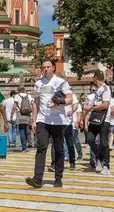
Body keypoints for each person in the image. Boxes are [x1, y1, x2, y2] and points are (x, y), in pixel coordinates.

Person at [25, 60, 73, 188]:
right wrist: (34, 120)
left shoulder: (61, 82)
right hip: (42, 120)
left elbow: (70, 98)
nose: (46, 69)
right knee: (41, 147)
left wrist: (59, 102)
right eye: (43, 67)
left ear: (53, 68)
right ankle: (37, 179)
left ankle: (58, 177)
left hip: (58, 120)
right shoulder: (38, 84)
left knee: (58, 149)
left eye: (48, 66)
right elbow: (36, 102)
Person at [85, 71, 112, 175]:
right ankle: (98, 158)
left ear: (96, 78)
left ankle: (106, 165)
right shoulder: (97, 90)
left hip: (104, 119)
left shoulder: (106, 89)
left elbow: (105, 105)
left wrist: (92, 107)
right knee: (90, 139)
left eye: (93, 79)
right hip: (94, 118)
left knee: (103, 143)